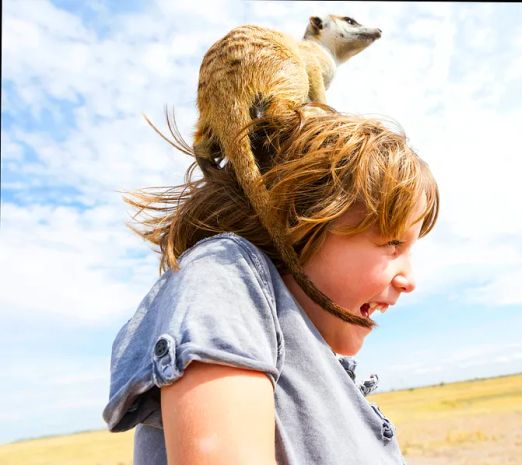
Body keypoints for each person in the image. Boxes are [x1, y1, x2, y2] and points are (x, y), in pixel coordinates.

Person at [102, 104, 439, 465]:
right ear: (302, 220)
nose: (410, 281)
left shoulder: (315, 364)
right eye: (392, 243)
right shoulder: (225, 273)